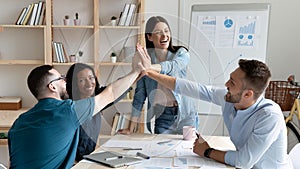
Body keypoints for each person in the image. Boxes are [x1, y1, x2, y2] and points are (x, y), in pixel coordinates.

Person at [138, 55, 292, 168]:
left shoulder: (269, 116)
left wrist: (207, 151)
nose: (226, 84)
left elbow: (244, 161)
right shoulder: (229, 97)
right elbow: (191, 88)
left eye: (232, 82)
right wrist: (150, 73)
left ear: (247, 94)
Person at [8, 56, 141, 168]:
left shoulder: (19, 122)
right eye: (61, 78)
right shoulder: (67, 111)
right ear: (52, 86)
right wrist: (137, 70)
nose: (65, 81)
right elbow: (111, 93)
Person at [118, 16, 198, 134]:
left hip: (186, 115)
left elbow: (172, 66)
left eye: (166, 31)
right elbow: (139, 96)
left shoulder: (181, 53)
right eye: (158, 32)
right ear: (149, 37)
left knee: (187, 151)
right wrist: (131, 128)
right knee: (160, 151)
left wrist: (149, 68)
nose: (164, 36)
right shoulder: (145, 62)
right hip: (163, 116)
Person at [65, 63, 131, 162]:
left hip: (88, 160)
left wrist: (137, 72)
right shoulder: (70, 108)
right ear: (74, 84)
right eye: (82, 80)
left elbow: (119, 88)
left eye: (91, 78)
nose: (89, 84)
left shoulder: (98, 99)